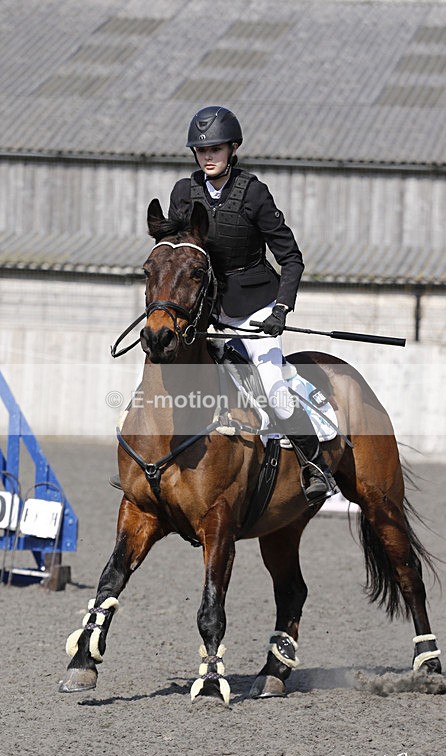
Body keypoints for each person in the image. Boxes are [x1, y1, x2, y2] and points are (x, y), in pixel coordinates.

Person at [168, 106, 336, 503]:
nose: (208, 157)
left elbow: (291, 258)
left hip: (256, 307)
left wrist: (280, 310)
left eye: (216, 149)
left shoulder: (253, 192)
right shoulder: (183, 193)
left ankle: (316, 468)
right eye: (201, 150)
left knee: (274, 388)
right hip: (207, 311)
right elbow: (175, 254)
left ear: (233, 148)